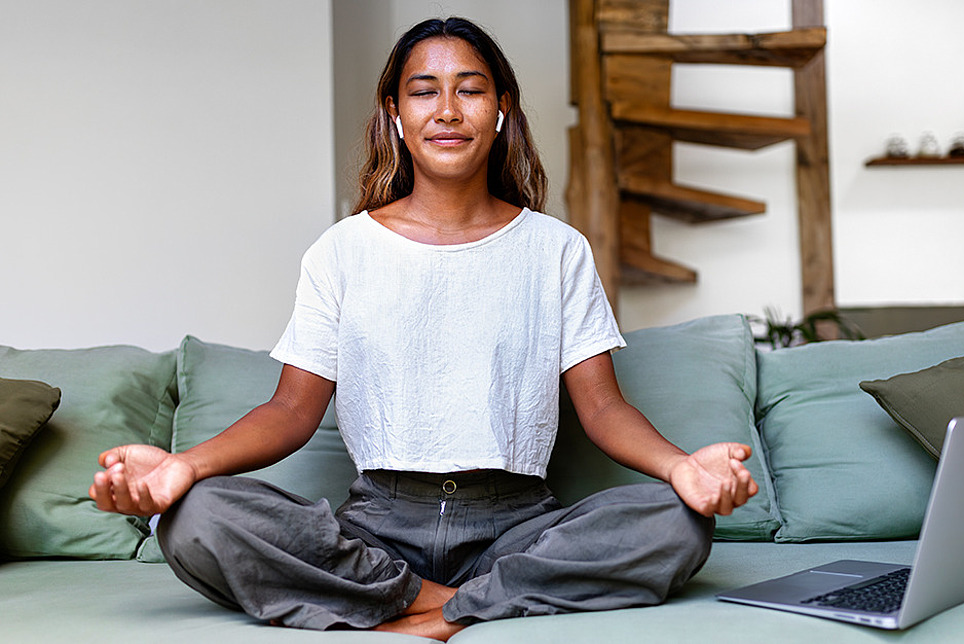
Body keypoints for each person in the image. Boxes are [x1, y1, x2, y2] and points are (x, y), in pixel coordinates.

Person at [89, 16, 758, 641]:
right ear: (395, 115)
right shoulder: (341, 251)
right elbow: (291, 410)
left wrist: (683, 467)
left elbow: (604, 408)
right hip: (377, 526)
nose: (446, 110)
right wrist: (182, 468)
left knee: (678, 523)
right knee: (195, 517)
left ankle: (417, 610)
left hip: (518, 524)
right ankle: (451, 602)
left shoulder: (556, 249)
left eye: (470, 90)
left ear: (501, 111)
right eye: (423, 92)